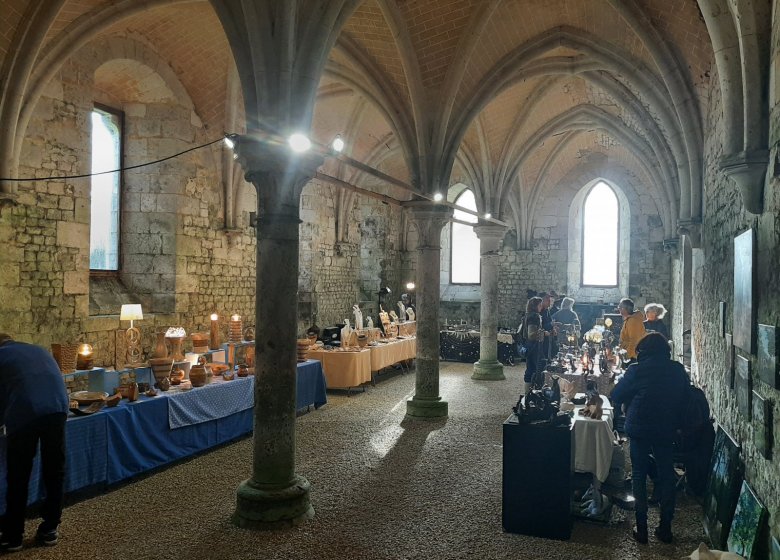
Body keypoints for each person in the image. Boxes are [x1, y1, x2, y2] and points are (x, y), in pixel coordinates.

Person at [610, 333, 689, 545]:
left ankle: (642, 528)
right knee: (666, 475)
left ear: (642, 351)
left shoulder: (637, 370)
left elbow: (616, 395)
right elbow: (684, 397)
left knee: (638, 474)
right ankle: (665, 527)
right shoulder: (677, 369)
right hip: (666, 427)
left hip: (640, 426)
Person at [0, 333, 69, 551]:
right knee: (54, 469)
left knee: (19, 473)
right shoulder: (36, 349)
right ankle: (50, 528)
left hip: (25, 411)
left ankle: (13, 537)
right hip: (58, 407)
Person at [517, 297, 547, 393]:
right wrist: (544, 333)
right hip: (534, 346)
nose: (541, 307)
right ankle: (533, 394)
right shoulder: (534, 316)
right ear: (535, 306)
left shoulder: (527, 315)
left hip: (528, 345)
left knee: (530, 368)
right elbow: (531, 334)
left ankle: (528, 394)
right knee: (537, 369)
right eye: (539, 305)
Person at [618, 298, 646, 362]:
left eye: (620, 307)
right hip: (629, 354)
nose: (618, 309)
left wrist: (627, 355)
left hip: (633, 356)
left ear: (625, 309)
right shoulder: (630, 319)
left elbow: (634, 340)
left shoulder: (633, 321)